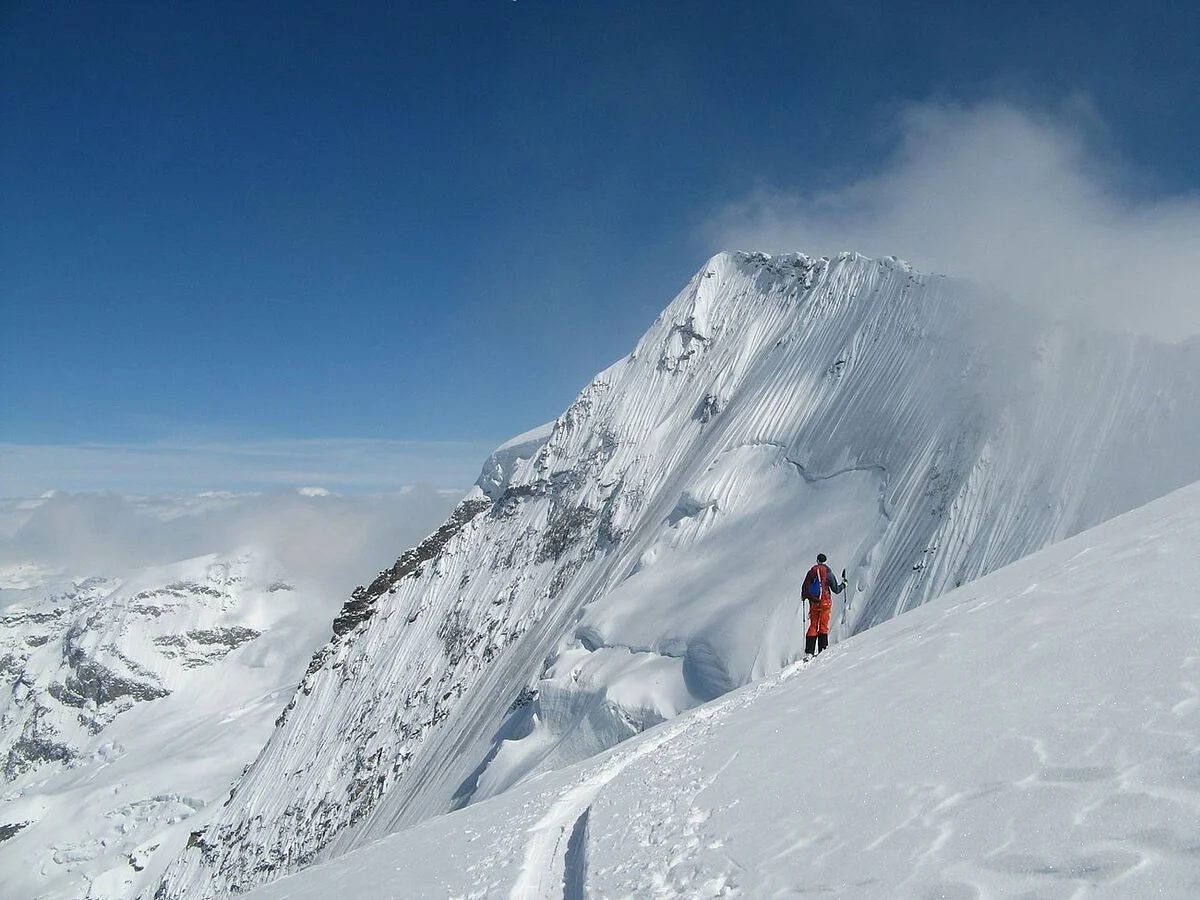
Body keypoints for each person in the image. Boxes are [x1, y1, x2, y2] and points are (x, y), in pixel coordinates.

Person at [802, 553, 846, 661]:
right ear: (825, 561)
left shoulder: (812, 572)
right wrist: (844, 584)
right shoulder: (828, 573)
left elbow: (804, 587)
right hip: (825, 603)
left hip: (814, 603)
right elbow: (836, 589)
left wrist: (805, 598)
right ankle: (823, 649)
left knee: (813, 626)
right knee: (823, 625)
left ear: (817, 560)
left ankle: (809, 652)